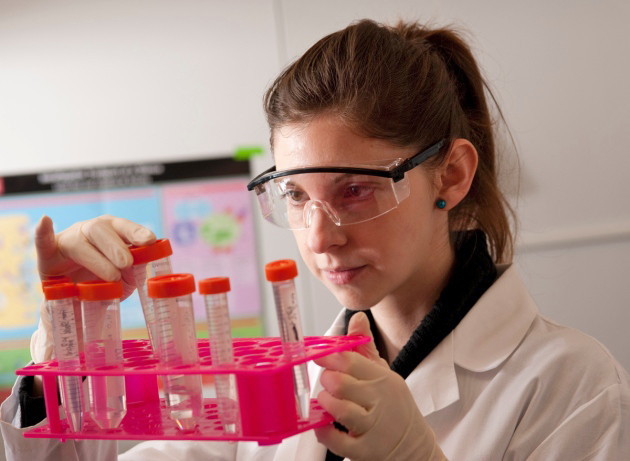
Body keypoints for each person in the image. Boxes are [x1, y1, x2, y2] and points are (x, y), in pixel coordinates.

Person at [2, 18, 629, 461]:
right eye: (296, 196)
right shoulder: (279, 386)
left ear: (454, 174)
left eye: (355, 189)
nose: (319, 237)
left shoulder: (570, 384)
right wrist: (75, 339)